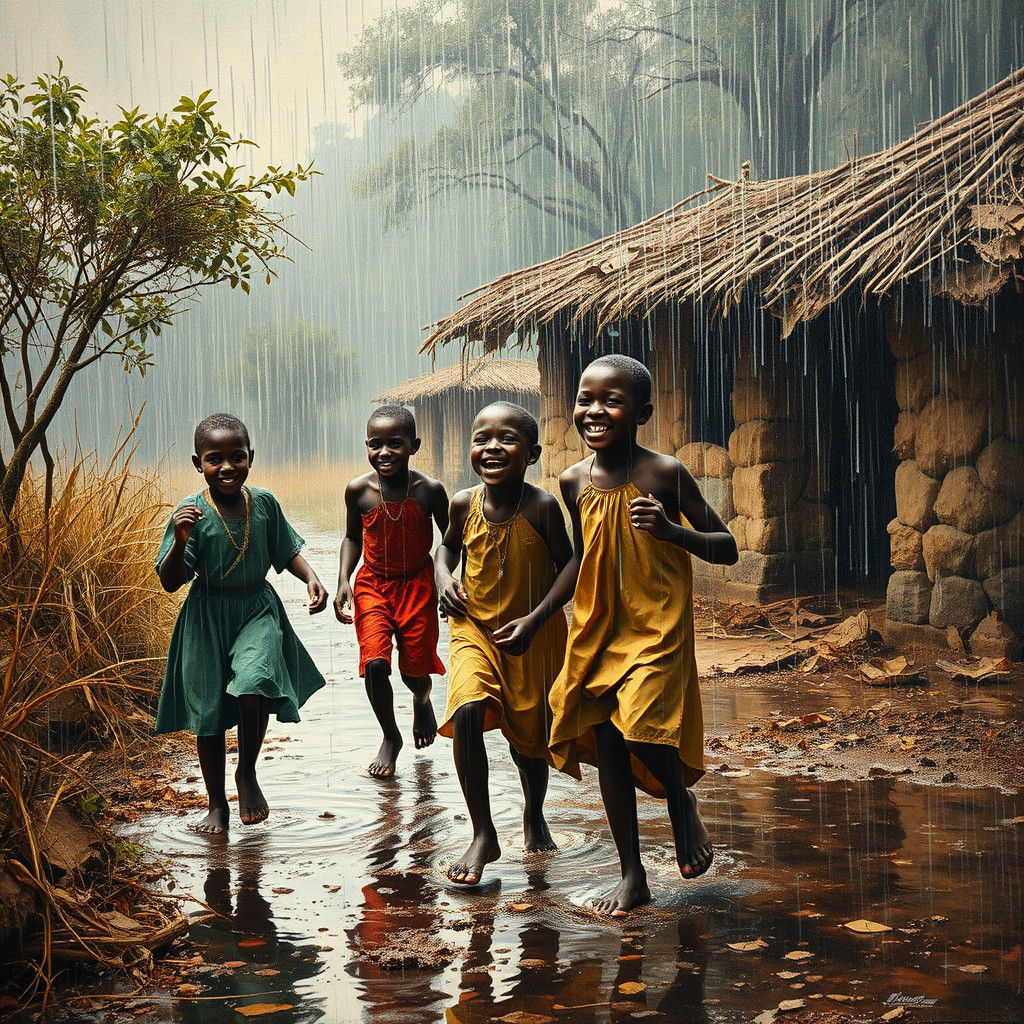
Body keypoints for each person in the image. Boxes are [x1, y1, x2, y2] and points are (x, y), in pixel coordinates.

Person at [547, 355, 739, 915]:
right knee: (608, 741)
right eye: (585, 399)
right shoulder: (572, 481)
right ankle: (632, 874)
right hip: (598, 629)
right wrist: (538, 618)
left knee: (643, 732)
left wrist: (673, 532)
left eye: (611, 401)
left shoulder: (665, 473)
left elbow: (726, 547)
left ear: (643, 413)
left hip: (656, 626)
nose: (594, 411)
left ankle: (681, 803)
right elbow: (582, 557)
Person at [156, 413, 328, 834]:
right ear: (198, 463)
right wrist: (180, 540)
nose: (227, 467)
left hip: (257, 609)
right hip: (207, 616)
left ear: (251, 456)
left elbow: (285, 550)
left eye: (237, 457)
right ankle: (216, 804)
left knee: (255, 680)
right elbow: (171, 581)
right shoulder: (191, 512)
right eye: (215, 459)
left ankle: (247, 772)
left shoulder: (264, 503)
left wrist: (311, 577)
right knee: (208, 711)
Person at [436, 402, 573, 886]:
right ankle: (483, 833)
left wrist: (536, 619)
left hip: (533, 636)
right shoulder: (462, 503)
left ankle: (534, 813)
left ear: (532, 454)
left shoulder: (542, 507)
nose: (492, 447)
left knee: (529, 740)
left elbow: (570, 566)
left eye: (507, 438)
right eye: (482, 438)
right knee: (467, 708)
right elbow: (447, 547)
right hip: (474, 627)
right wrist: (443, 578)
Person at [334, 405, 449, 778]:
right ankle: (390, 736)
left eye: (395, 444)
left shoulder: (430, 491)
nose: (384, 452)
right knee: (375, 663)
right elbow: (352, 537)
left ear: (414, 445)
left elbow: (452, 542)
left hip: (418, 585)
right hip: (373, 584)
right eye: (375, 444)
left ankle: (421, 698)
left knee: (415, 671)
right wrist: (343, 580)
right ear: (367, 446)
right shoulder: (359, 490)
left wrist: (448, 581)